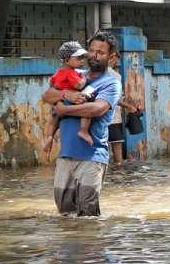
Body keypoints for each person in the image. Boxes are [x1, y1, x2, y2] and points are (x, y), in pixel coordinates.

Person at [41, 31, 122, 217]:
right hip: (65, 156)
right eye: (91, 50)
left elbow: (97, 109)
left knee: (88, 216)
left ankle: (90, 246)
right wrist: (65, 95)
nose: (94, 55)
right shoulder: (74, 75)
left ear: (110, 57)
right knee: (64, 213)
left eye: (100, 52)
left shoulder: (111, 83)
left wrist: (65, 110)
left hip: (92, 157)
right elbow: (47, 96)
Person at [42, 41, 94, 153]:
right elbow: (78, 85)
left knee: (53, 121)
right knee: (87, 110)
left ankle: (49, 137)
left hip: (58, 103)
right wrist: (84, 78)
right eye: (78, 58)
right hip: (71, 101)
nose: (82, 60)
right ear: (66, 60)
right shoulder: (71, 72)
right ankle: (84, 131)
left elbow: (52, 86)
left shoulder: (58, 72)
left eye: (82, 58)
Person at [107, 53, 138, 167]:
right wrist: (129, 106)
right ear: (112, 58)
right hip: (113, 117)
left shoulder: (95, 73)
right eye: (116, 60)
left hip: (99, 116)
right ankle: (119, 170)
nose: (117, 63)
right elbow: (115, 99)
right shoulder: (115, 75)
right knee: (117, 145)